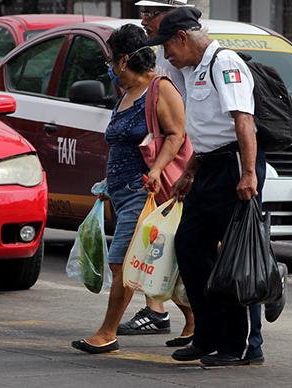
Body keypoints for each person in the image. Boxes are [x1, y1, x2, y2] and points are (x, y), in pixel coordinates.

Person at [146, 6, 267, 367]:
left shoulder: (224, 64)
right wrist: (189, 173)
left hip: (234, 167)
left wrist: (248, 173)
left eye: (167, 46)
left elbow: (242, 121)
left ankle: (242, 345)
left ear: (183, 37)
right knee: (190, 245)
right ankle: (207, 335)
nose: (166, 55)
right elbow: (206, 132)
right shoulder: (195, 69)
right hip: (210, 167)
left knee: (234, 258)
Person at [71, 24, 187, 354]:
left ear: (123, 60)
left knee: (123, 262)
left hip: (144, 191)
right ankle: (195, 321)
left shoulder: (159, 89)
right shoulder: (126, 93)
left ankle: (107, 332)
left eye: (110, 60)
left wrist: (155, 169)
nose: (109, 67)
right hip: (122, 192)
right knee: (161, 265)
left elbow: (177, 134)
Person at [115, 0, 195, 347]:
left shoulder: (176, 58)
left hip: (179, 168)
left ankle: (261, 284)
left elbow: (178, 127)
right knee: (163, 250)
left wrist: (160, 167)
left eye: (152, 12)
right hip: (156, 171)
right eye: (145, 12)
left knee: (168, 249)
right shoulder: (158, 53)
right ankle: (168, 313)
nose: (146, 19)